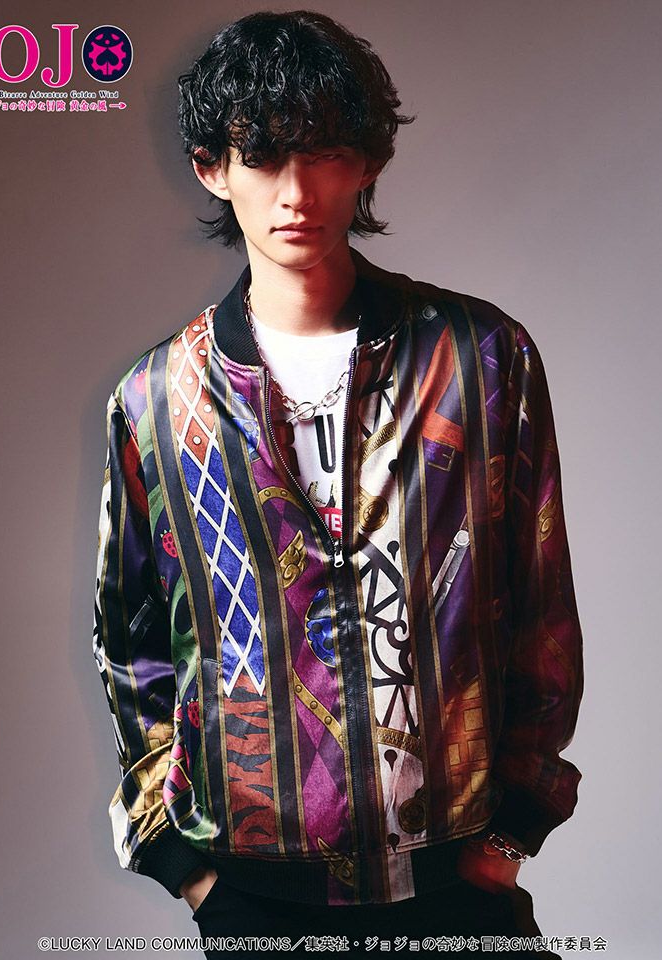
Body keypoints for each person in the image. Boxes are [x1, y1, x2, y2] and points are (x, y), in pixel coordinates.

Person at [92, 9, 584, 957]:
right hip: (251, 892)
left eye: (323, 153)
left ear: (367, 163)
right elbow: (131, 644)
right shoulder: (155, 402)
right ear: (212, 168)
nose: (295, 192)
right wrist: (184, 867)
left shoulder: (481, 359)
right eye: (263, 156)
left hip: (454, 875)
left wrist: (514, 831)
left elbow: (540, 602)